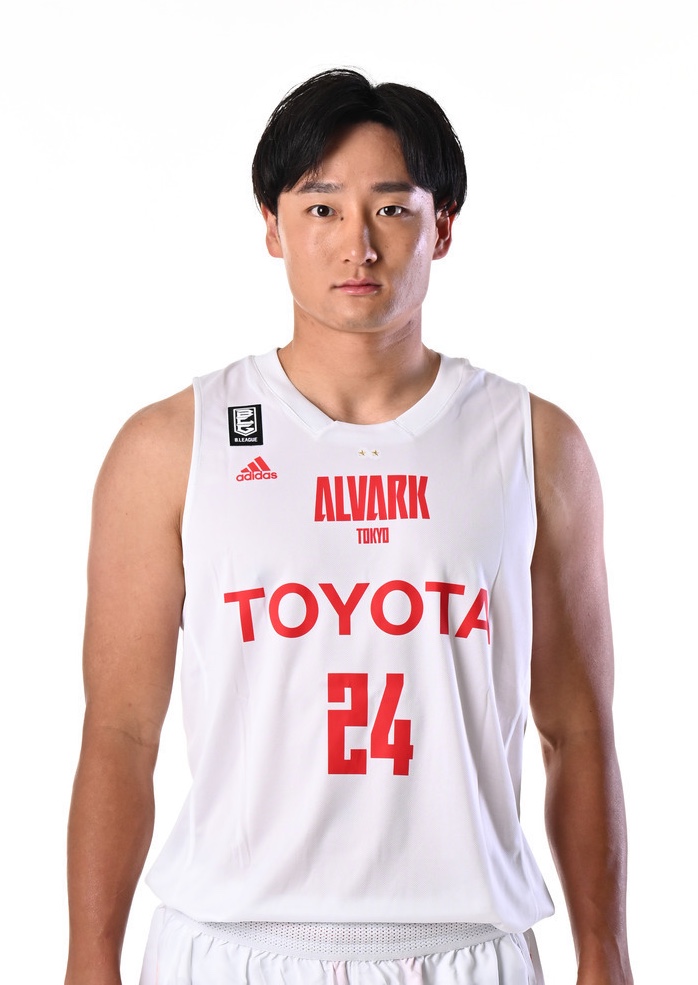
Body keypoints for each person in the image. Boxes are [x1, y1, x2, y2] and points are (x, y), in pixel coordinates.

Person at [64, 69, 633, 985]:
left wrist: (606, 952)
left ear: (442, 226)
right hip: (233, 947)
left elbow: (577, 727)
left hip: (467, 948)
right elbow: (122, 731)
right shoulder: (173, 444)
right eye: (322, 208)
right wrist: (89, 960)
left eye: (392, 209)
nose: (357, 244)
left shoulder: (532, 443)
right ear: (272, 225)